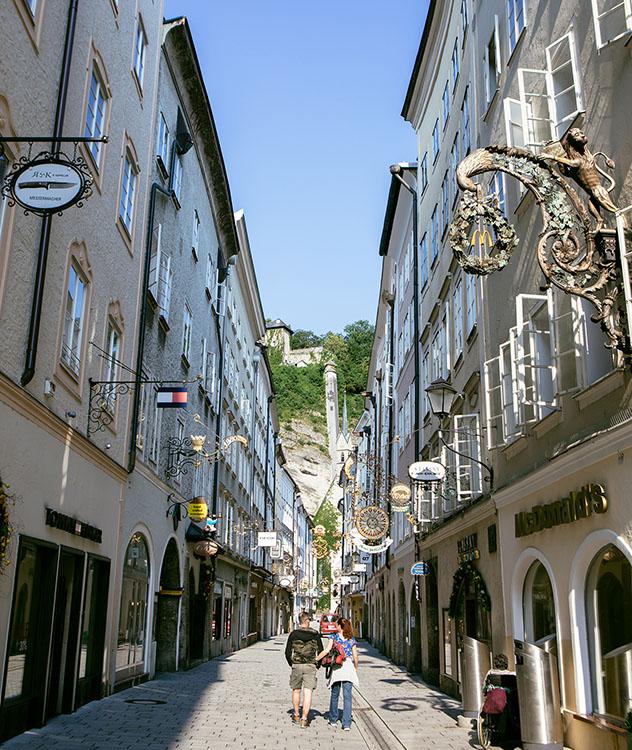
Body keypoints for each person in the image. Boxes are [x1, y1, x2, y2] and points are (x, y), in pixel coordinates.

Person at [316, 616, 359, 731]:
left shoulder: (334, 637)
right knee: (347, 697)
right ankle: (346, 724)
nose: (335, 626)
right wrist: (355, 668)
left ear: (340, 626)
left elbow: (326, 650)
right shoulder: (351, 639)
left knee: (335, 694)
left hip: (337, 667)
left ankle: (333, 719)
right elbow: (355, 656)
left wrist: (316, 659)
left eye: (337, 625)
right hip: (348, 667)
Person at [285, 611, 324, 728]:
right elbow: (321, 651)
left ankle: (296, 714)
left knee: (296, 690)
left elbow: (287, 652)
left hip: (296, 665)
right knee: (308, 692)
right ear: (308, 621)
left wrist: (292, 663)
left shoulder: (293, 634)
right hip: (310, 665)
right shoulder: (315, 634)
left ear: (300, 621)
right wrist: (318, 664)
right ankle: (304, 719)